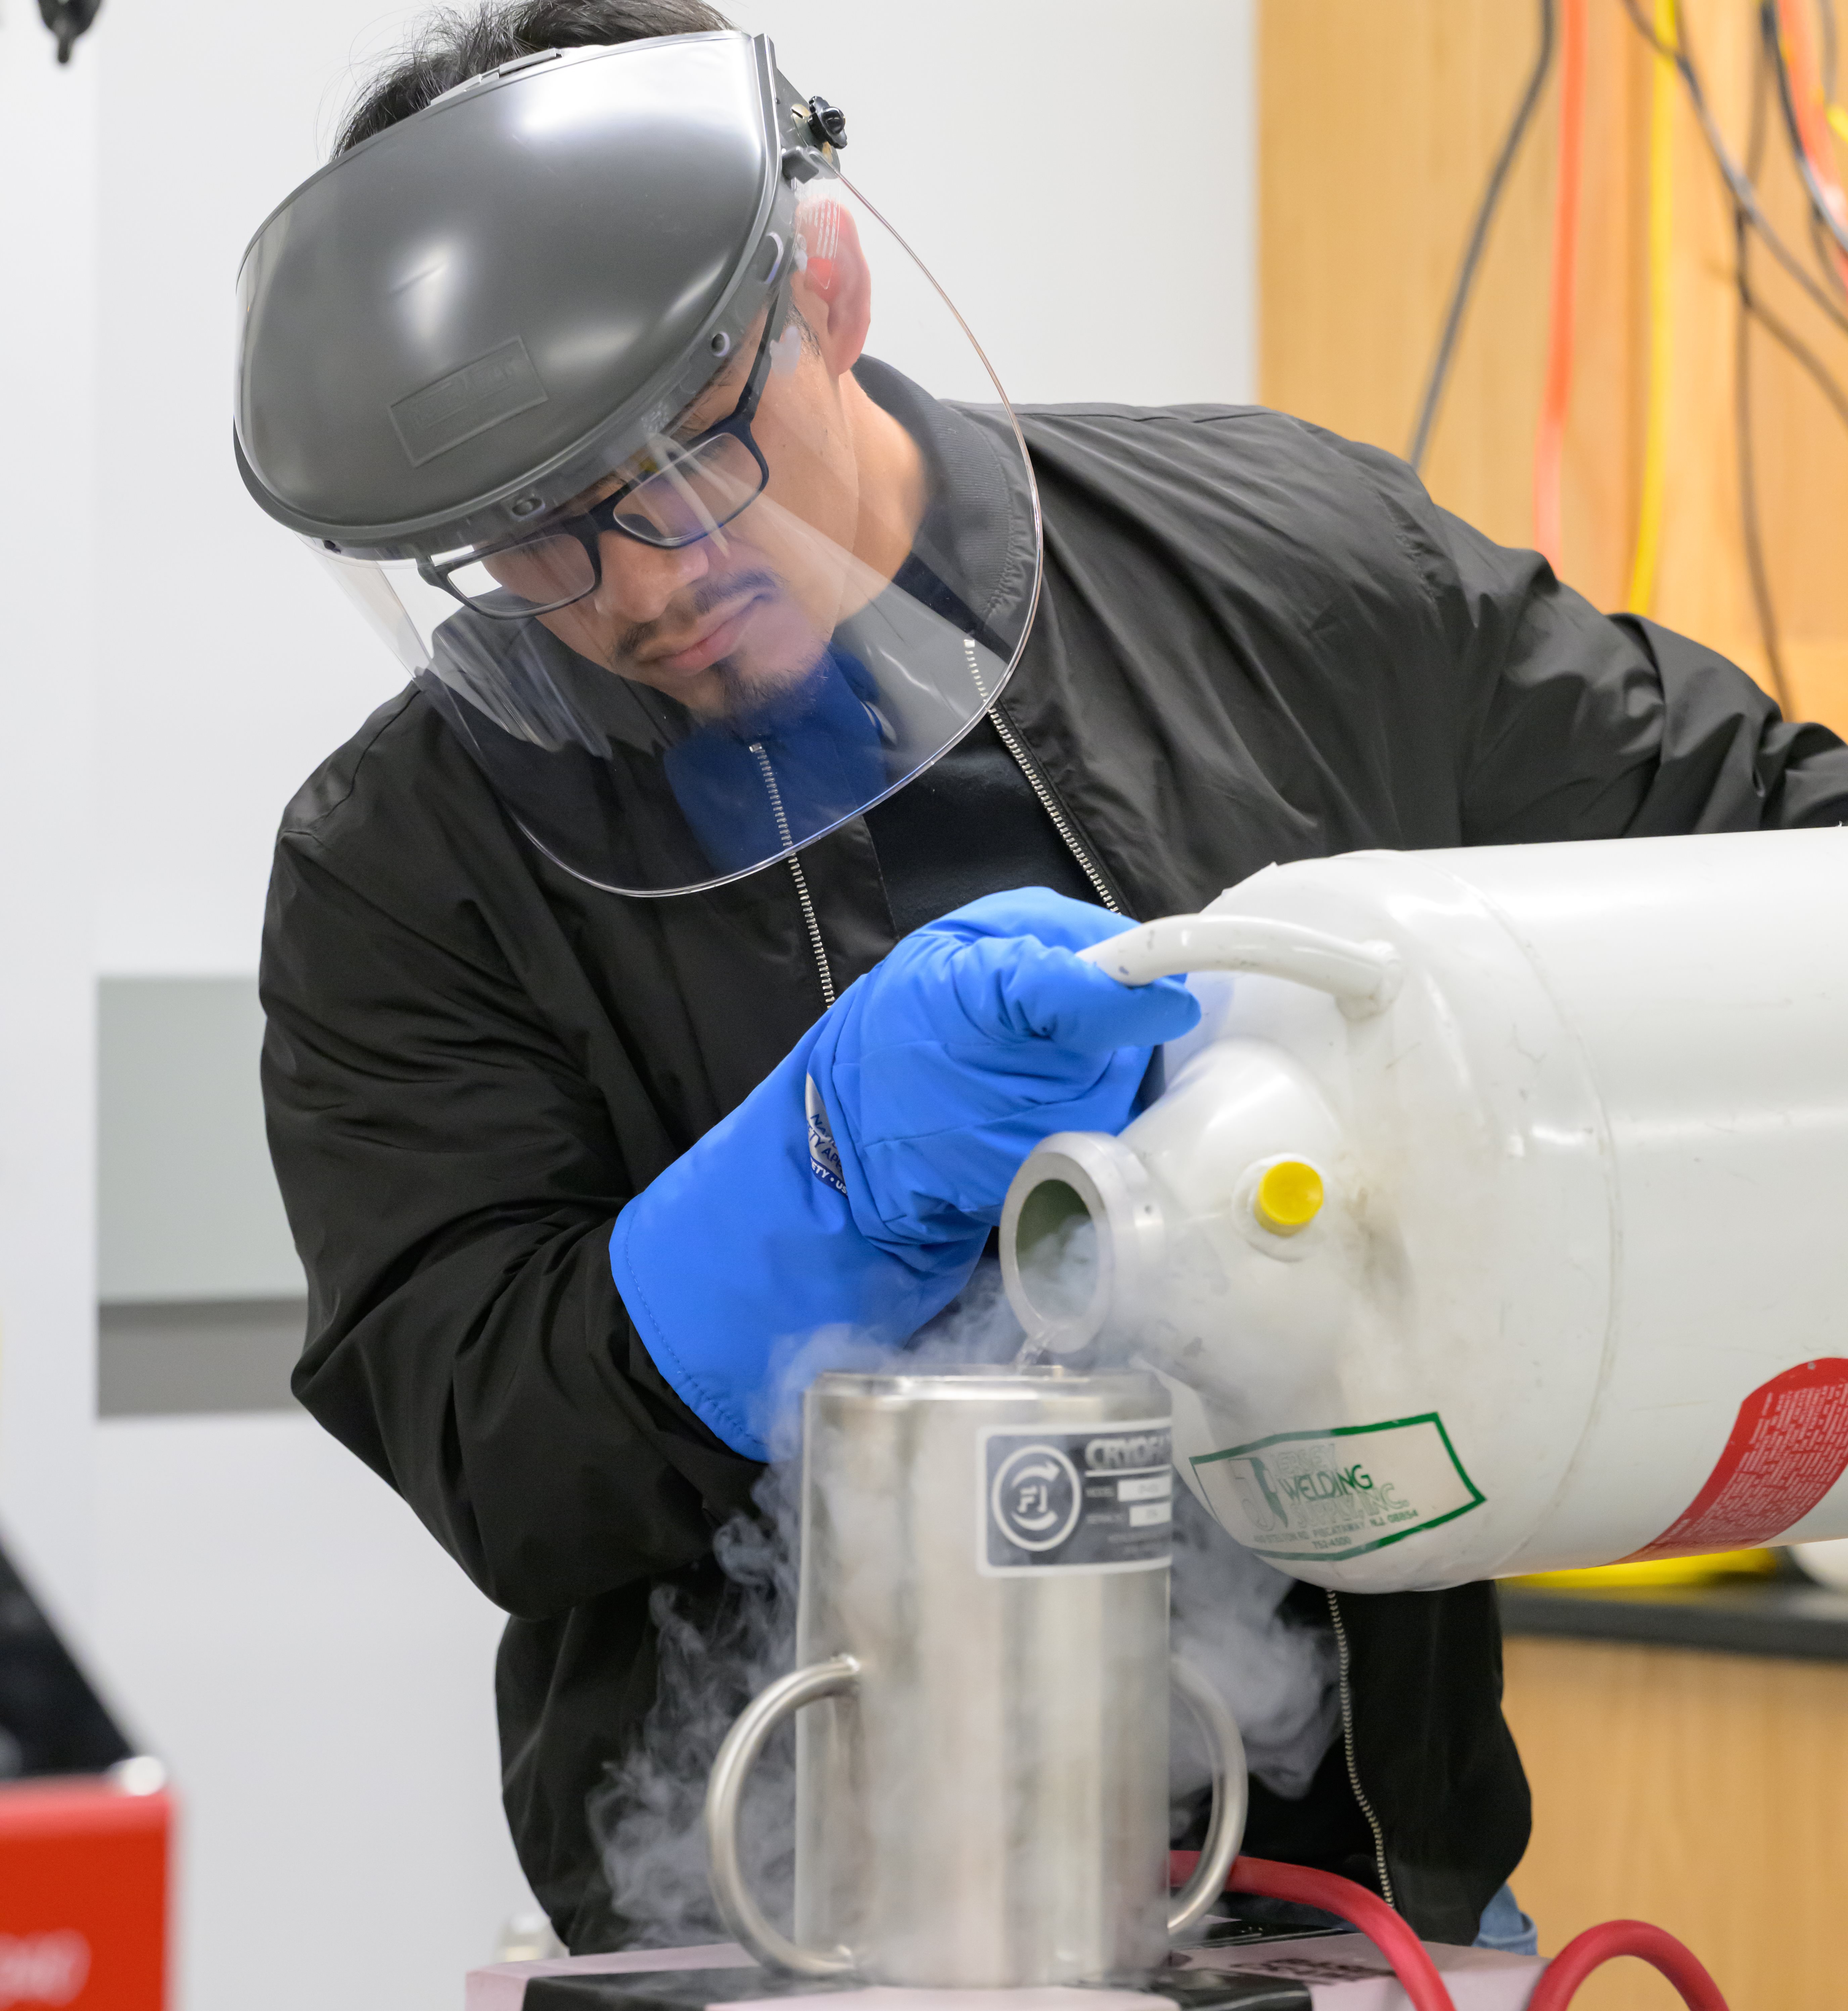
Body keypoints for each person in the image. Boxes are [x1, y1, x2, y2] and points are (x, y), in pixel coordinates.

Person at [239, 0, 1848, 1960]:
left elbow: (1781, 849)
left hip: (1366, 1914)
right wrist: (826, 1184)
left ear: (824, 287)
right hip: (757, 1928)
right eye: (534, 539)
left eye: (686, 455)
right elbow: (502, 1454)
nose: (641, 583)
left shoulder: (1293, 576)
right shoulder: (403, 867)